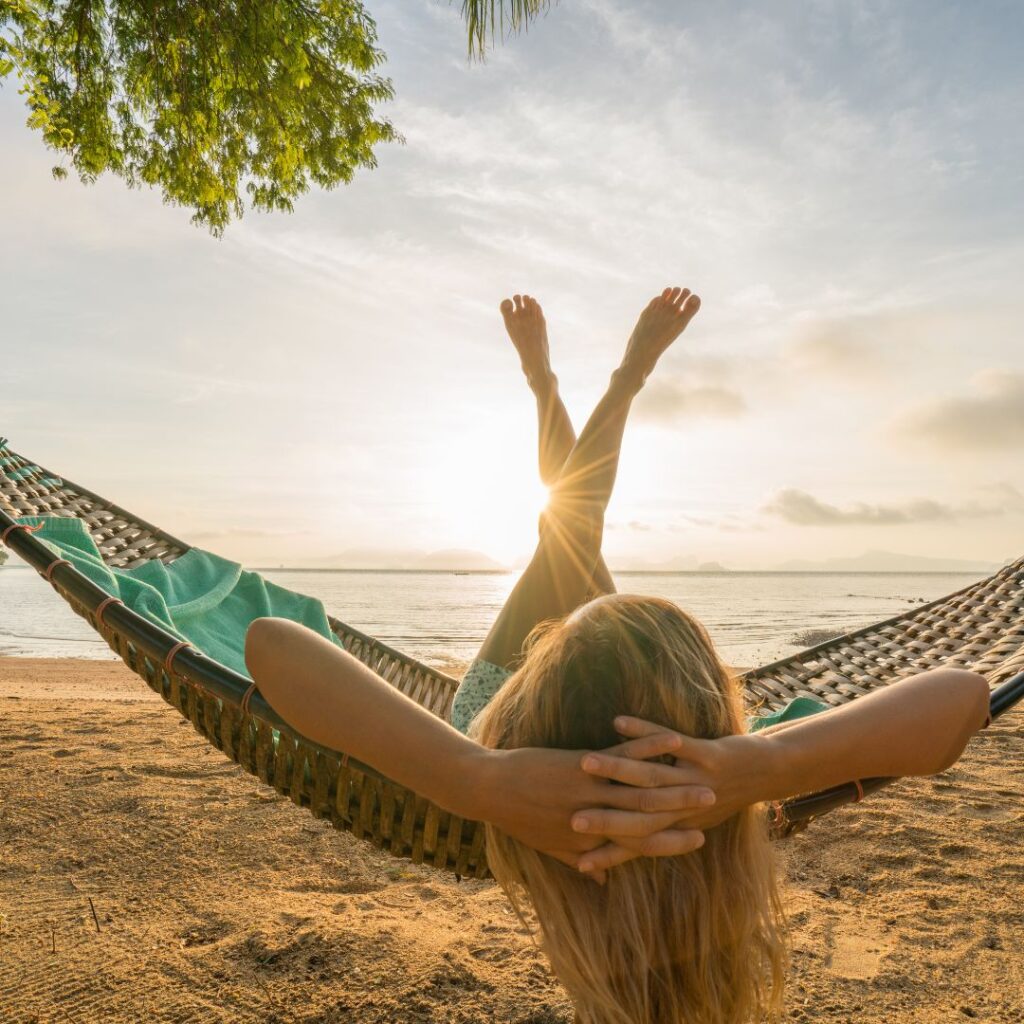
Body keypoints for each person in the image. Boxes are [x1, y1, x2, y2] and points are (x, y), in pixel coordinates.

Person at [245, 287, 990, 1023]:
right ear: (718, 709)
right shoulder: (718, 785)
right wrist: (765, 766)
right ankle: (597, 381)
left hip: (516, 725)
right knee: (572, 528)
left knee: (571, 527)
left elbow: (270, 647)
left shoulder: (508, 784)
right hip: (611, 715)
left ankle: (581, 383)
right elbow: (961, 694)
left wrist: (474, 776)